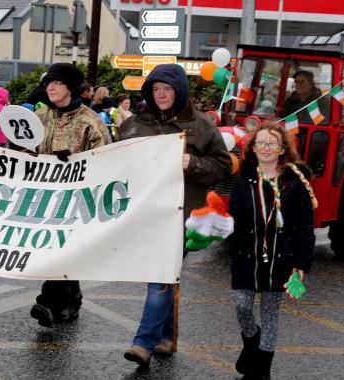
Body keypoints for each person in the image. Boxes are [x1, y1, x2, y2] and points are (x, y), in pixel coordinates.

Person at [119, 64, 231, 367]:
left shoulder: (203, 126)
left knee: (160, 275)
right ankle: (166, 337)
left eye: (167, 89)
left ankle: (143, 342)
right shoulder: (132, 124)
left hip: (180, 216)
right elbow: (114, 164)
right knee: (161, 275)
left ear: (179, 90)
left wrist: (192, 163)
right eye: (156, 89)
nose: (161, 95)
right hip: (143, 213)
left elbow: (223, 166)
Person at [228, 121, 316, 379]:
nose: (266, 147)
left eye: (273, 143)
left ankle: (262, 369)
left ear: (282, 149)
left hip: (281, 258)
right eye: (261, 143)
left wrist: (301, 265)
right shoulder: (245, 178)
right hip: (247, 255)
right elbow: (234, 214)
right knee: (242, 306)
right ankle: (252, 344)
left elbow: (304, 226)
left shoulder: (295, 183)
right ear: (253, 148)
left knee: (269, 313)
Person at [28, 63, 111, 328]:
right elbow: (22, 152)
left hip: (77, 201)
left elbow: (107, 158)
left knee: (62, 249)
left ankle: (48, 302)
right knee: (53, 249)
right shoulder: (39, 117)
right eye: (47, 83)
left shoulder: (91, 121)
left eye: (57, 82)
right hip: (45, 197)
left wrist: (77, 162)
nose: (50, 87)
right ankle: (71, 299)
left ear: (70, 87)